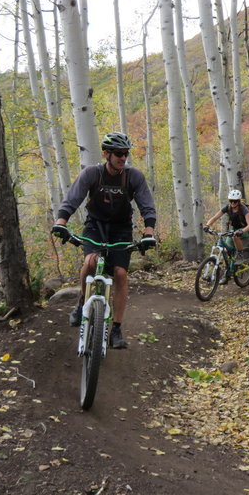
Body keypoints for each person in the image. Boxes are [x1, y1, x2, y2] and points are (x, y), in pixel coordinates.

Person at [51, 132, 156, 349]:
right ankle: (82, 303)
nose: (123, 158)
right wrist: (61, 222)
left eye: (125, 154)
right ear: (106, 154)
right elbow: (73, 198)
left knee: (120, 273)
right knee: (90, 261)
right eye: (118, 154)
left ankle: (116, 328)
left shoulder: (133, 176)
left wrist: (148, 232)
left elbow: (146, 205)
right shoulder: (92, 173)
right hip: (95, 226)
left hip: (121, 229)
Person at [203, 189, 249, 284]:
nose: (233, 203)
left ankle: (240, 254)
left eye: (235, 201)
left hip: (246, 229)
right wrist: (207, 225)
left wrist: (241, 231)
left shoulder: (244, 209)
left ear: (238, 201)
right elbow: (215, 217)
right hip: (234, 229)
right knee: (227, 250)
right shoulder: (228, 208)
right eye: (231, 201)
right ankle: (228, 273)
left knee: (235, 237)